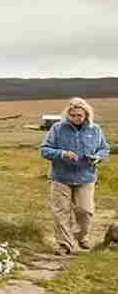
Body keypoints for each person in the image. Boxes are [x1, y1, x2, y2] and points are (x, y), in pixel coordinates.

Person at [39, 97, 109, 254]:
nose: (76, 118)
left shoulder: (95, 129)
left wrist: (98, 157)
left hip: (86, 177)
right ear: (68, 114)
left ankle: (81, 236)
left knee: (85, 211)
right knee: (61, 212)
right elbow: (44, 149)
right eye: (73, 115)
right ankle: (65, 245)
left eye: (79, 115)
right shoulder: (57, 128)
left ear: (86, 115)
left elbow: (104, 149)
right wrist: (62, 153)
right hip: (60, 177)